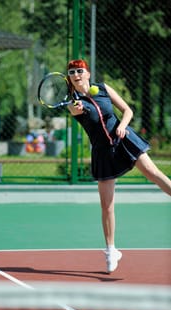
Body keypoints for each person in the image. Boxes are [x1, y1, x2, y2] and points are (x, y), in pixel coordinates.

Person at [67, 59, 171, 273]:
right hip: (103, 152)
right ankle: (111, 250)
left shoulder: (104, 88)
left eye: (79, 70)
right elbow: (75, 111)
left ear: (87, 73)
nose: (76, 74)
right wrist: (76, 106)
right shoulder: (73, 102)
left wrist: (123, 126)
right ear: (69, 78)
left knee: (153, 173)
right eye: (71, 72)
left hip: (124, 140)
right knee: (107, 205)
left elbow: (127, 110)